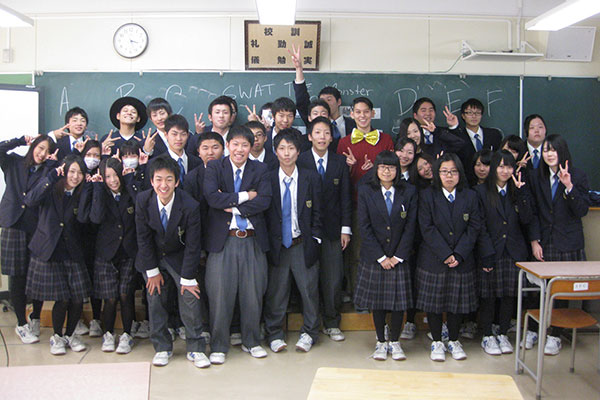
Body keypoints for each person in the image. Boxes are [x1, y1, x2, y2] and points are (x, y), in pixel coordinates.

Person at [203, 125, 272, 364]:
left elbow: (264, 201)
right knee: (220, 295)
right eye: (235, 144)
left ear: (251, 146)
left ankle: (252, 341)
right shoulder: (215, 167)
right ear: (227, 145)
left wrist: (231, 204)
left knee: (253, 294)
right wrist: (245, 196)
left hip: (252, 240)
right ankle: (219, 345)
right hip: (223, 240)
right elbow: (212, 197)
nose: (240, 149)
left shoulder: (261, 169)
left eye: (245, 145)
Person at [135, 155, 207, 368]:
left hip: (180, 258)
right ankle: (162, 347)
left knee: (189, 297)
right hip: (153, 258)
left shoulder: (190, 205)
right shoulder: (143, 200)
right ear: (151, 181)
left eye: (168, 180)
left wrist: (187, 278)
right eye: (158, 179)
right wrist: (152, 271)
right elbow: (143, 238)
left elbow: (194, 245)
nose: (163, 185)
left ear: (176, 181)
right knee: (155, 297)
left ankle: (195, 347)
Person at [527, 134, 590, 356]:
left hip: (568, 242)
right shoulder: (536, 177)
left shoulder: (578, 175)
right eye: (545, 150)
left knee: (562, 291)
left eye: (553, 150)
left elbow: (581, 210)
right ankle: (534, 329)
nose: (549, 154)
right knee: (538, 289)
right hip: (544, 241)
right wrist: (534, 240)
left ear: (562, 151)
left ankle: (555, 335)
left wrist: (569, 186)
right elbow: (532, 212)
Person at [416, 153, 481, 362]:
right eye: (444, 172)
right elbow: (426, 228)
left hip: (462, 259)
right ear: (437, 174)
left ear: (460, 174)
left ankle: (453, 340)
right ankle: (437, 341)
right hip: (434, 258)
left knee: (456, 303)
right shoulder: (427, 195)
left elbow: (474, 227)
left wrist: (459, 254)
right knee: (434, 304)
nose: (449, 176)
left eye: (453, 171)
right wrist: (445, 253)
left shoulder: (470, 196)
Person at [25, 155, 91, 355]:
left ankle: (70, 335)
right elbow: (30, 199)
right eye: (72, 171)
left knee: (78, 298)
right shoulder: (51, 187)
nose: (75, 176)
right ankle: (57, 337)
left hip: (73, 250)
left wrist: (90, 188)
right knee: (61, 298)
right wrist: (52, 175)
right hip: (50, 249)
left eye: (80, 172)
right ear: (64, 171)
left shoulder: (81, 192)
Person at [264, 128, 323, 353]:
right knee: (276, 292)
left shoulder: (310, 177)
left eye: (291, 148)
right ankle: (275, 334)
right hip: (278, 245)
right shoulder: (267, 177)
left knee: (309, 291)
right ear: (275, 151)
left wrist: (315, 239)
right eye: (282, 148)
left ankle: (309, 333)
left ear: (299, 151)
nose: (286, 153)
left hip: (302, 243)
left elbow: (319, 211)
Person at [355, 151, 417, 361]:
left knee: (399, 303)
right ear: (376, 169)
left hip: (399, 257)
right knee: (378, 302)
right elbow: (364, 226)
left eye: (391, 167)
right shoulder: (366, 190)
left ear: (397, 170)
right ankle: (381, 341)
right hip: (375, 257)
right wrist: (381, 257)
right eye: (382, 167)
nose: (387, 171)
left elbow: (411, 227)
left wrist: (398, 256)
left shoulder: (408, 191)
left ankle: (396, 342)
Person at [297, 117, 352, 342]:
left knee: (333, 278)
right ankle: (309, 323)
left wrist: (345, 229)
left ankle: (331, 322)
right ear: (309, 136)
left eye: (326, 133)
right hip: (306, 230)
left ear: (331, 137)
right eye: (317, 132)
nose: (322, 137)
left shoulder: (340, 162)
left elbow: (345, 198)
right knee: (307, 279)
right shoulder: (300, 160)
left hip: (332, 230)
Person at [0, 134, 57, 343]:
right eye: (40, 148)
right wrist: (18, 140)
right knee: (16, 276)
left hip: (36, 228)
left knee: (37, 276)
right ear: (33, 146)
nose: (42, 154)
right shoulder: (14, 162)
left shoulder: (49, 172)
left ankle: (34, 317)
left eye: (47, 151)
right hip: (13, 224)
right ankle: (21, 323)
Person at [475, 150, 532, 356]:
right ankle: (487, 335)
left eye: (509, 166)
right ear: (493, 169)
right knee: (489, 296)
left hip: (514, 251)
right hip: (491, 250)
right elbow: (479, 226)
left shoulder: (519, 189)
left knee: (509, 294)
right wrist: (486, 252)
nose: (505, 170)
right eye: (500, 166)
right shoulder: (480, 192)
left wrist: (522, 193)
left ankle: (503, 333)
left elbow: (527, 220)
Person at [87, 157, 139, 354]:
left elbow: (141, 208)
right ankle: (108, 333)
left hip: (128, 252)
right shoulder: (99, 192)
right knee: (109, 298)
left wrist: (131, 180)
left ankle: (126, 334)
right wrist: (99, 188)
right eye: (108, 176)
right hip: (106, 253)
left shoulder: (130, 191)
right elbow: (96, 217)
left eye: (115, 175)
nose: (113, 180)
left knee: (126, 295)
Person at [289, 43, 356, 139]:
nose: (325, 103)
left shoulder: (354, 125)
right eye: (322, 100)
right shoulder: (313, 122)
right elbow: (302, 99)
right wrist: (299, 69)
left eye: (329, 99)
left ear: (339, 102)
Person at [455, 98, 502, 184]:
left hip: (492, 183)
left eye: (477, 113)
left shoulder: (494, 135)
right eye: (469, 113)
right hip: (467, 184)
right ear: (463, 116)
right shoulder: (457, 137)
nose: (474, 116)